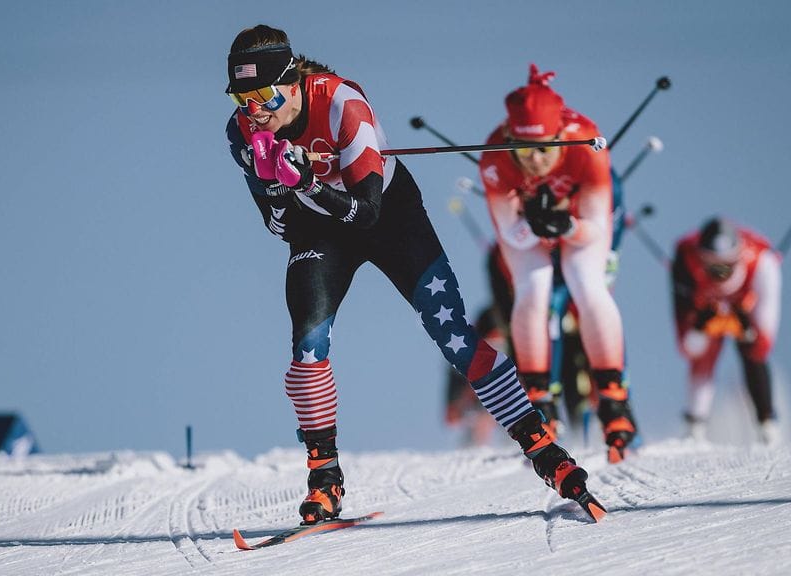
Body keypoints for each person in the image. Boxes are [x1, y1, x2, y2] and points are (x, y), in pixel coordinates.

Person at [224, 26, 601, 524]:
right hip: (320, 231)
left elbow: (367, 214)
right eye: (242, 97)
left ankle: (545, 450)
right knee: (307, 346)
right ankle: (324, 478)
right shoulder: (243, 133)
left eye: (265, 95)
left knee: (454, 337)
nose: (256, 109)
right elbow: (279, 228)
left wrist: (308, 181)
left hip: (388, 217)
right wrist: (275, 189)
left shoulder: (343, 106)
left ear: (293, 82)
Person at [478, 64, 638, 463]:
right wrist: (534, 224)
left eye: (544, 150)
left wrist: (565, 223)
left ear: (559, 138)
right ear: (510, 139)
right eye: (522, 149)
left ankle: (613, 397)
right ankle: (538, 397)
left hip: (582, 218)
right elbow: (509, 234)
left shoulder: (586, 144)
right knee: (533, 288)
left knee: (587, 284)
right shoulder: (494, 157)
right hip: (529, 228)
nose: (533, 161)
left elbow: (596, 229)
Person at [672, 217, 782, 444]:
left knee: (752, 353)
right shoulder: (685, 260)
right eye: (712, 266)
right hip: (704, 306)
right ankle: (695, 424)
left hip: (747, 305)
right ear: (701, 258)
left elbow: (763, 345)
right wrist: (700, 324)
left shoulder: (763, 263)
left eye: (727, 265)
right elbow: (687, 347)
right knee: (705, 352)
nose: (721, 273)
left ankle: (767, 423)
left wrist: (747, 327)